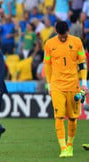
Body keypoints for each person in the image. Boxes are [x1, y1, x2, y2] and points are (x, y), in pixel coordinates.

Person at [44, 21, 88, 158]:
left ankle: (70, 145)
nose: (62, 38)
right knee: (59, 116)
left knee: (73, 118)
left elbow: (82, 63)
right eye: (60, 35)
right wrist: (49, 84)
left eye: (64, 35)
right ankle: (63, 148)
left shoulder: (77, 42)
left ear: (68, 30)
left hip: (73, 86)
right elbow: (47, 65)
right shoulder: (49, 44)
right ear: (56, 32)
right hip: (57, 86)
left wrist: (84, 83)